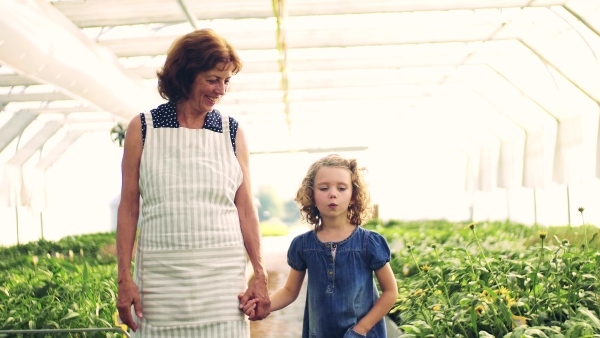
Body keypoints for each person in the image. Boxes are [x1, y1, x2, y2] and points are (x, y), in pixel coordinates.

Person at [116, 28, 270, 337]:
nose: (221, 90)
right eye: (213, 79)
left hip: (223, 285)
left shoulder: (231, 132)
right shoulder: (143, 128)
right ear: (185, 76)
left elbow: (246, 210)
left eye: (226, 81)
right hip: (161, 283)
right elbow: (129, 207)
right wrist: (124, 279)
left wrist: (259, 273)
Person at [240, 154, 398, 337]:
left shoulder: (369, 243)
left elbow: (390, 292)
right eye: (323, 188)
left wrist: (360, 329)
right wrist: (265, 305)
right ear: (311, 195)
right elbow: (289, 291)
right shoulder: (303, 245)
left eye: (342, 188)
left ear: (353, 196)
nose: (333, 193)